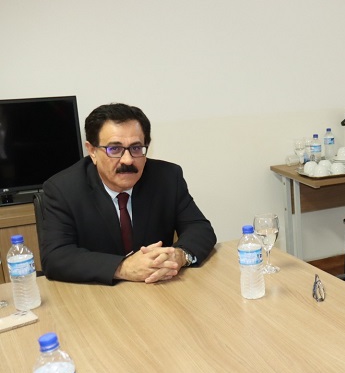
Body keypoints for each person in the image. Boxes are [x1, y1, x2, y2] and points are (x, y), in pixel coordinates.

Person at [41, 103, 216, 285]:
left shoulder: (167, 177)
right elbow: (55, 257)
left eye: (136, 148)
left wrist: (179, 256)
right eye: (115, 149)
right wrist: (122, 268)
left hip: (156, 289)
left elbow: (199, 228)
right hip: (97, 293)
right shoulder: (63, 189)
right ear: (92, 151)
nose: (128, 160)